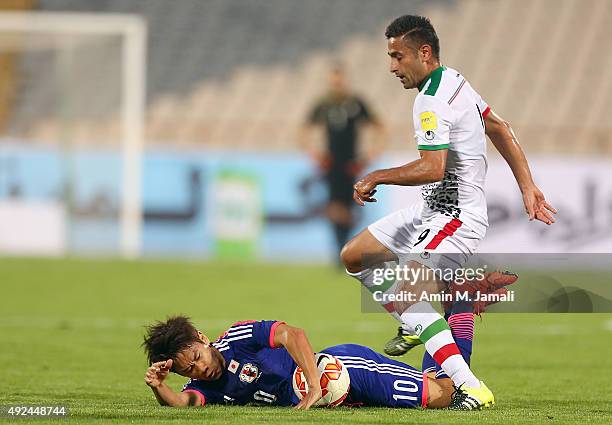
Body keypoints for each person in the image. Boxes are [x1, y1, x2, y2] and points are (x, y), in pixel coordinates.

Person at [340, 15, 557, 410]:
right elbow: (499, 127)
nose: (391, 67)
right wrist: (527, 186)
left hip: (455, 218)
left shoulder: (431, 100)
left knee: (408, 292)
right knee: (355, 256)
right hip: (429, 212)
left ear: (425, 53)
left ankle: (471, 386)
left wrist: (377, 176)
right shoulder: (455, 80)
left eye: (397, 56)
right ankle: (425, 314)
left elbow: (432, 168)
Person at [143, 316, 465, 410]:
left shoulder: (238, 338)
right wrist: (160, 387)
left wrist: (313, 386)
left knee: (450, 395)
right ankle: (431, 330)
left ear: (202, 337)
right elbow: (183, 402)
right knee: (437, 383)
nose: (200, 369)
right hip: (336, 400)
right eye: (188, 369)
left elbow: (293, 335)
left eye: (197, 358)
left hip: (345, 370)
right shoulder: (203, 386)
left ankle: (459, 311)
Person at [299, 65, 387, 260]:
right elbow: (304, 130)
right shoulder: (324, 104)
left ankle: (345, 247)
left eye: (339, 79)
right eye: (333, 80)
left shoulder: (356, 103)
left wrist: (371, 154)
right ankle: (340, 248)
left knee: (349, 206)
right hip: (331, 163)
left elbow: (379, 127)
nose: (336, 83)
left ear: (344, 80)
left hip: (351, 164)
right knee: (333, 206)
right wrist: (314, 154)